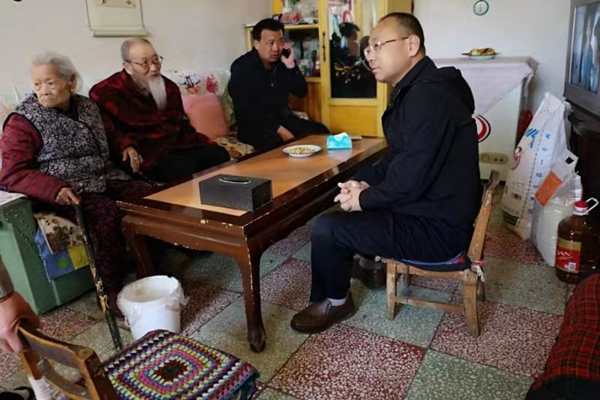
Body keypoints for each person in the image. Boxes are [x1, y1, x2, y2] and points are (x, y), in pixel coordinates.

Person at [291, 13, 481, 333]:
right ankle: (370, 266)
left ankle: (335, 301)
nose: (369, 54)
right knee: (366, 179)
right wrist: (364, 182)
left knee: (327, 227)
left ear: (411, 45)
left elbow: (409, 180)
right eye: (368, 48)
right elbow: (399, 156)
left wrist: (363, 199)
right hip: (434, 208)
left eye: (378, 45)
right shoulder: (421, 88)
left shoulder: (427, 96)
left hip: (437, 229)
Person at [0, 52, 151, 313]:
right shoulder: (22, 121)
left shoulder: (88, 106)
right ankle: (110, 292)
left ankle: (149, 268)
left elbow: (111, 134)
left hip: (105, 177)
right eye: (37, 84)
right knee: (107, 215)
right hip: (66, 190)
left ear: (70, 81)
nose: (42, 91)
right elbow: (11, 173)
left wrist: (126, 146)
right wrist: (53, 188)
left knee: (148, 197)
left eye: (49, 83)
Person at [90, 38, 230, 182]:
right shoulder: (105, 93)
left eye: (156, 60)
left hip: (175, 146)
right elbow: (108, 133)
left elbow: (181, 125)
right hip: (144, 154)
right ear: (128, 66)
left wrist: (205, 142)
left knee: (219, 154)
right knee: (184, 168)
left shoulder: (169, 88)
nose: (154, 68)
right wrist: (125, 146)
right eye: (145, 63)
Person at [229, 18, 329, 152]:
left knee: (320, 131)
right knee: (274, 142)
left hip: (284, 119)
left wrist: (291, 65)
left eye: (280, 41)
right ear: (256, 44)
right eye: (270, 43)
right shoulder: (241, 67)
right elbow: (245, 108)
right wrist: (278, 129)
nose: (276, 48)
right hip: (256, 125)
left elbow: (301, 92)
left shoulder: (282, 63)